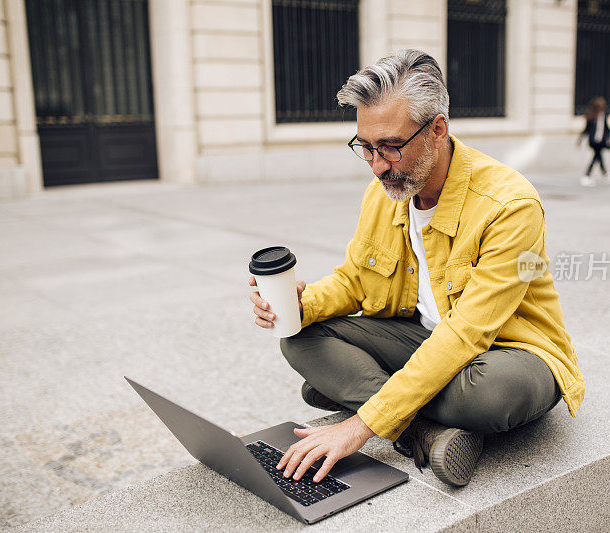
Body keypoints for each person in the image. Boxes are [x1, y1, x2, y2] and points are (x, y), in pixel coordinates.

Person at [248, 50, 585, 488]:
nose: (376, 164)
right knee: (297, 334)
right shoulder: (382, 191)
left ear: (437, 130)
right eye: (365, 147)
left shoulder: (512, 205)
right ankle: (421, 433)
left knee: (491, 396)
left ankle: (361, 387)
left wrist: (361, 424)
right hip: (422, 339)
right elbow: (354, 280)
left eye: (390, 147)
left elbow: (467, 335)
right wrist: (297, 302)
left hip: (506, 355)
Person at [577, 96, 610, 187]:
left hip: (601, 141)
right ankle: (588, 175)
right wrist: (580, 140)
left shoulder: (604, 116)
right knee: (597, 157)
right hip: (594, 141)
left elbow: (607, 129)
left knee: (598, 157)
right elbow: (586, 129)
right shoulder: (591, 116)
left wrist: (609, 138)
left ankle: (604, 173)